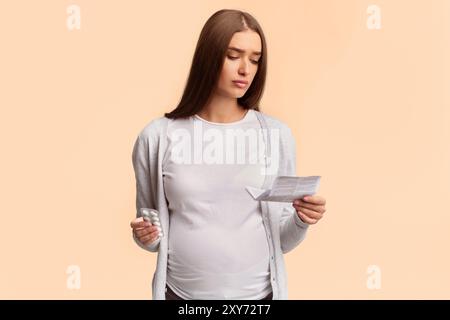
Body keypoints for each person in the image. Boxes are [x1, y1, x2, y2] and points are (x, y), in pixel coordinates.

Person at [130, 9, 327, 300]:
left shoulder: (275, 136)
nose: (246, 69)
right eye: (233, 56)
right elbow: (152, 235)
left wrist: (301, 219)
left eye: (255, 59)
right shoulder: (157, 137)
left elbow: (282, 242)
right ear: (208, 57)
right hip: (181, 298)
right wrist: (144, 235)